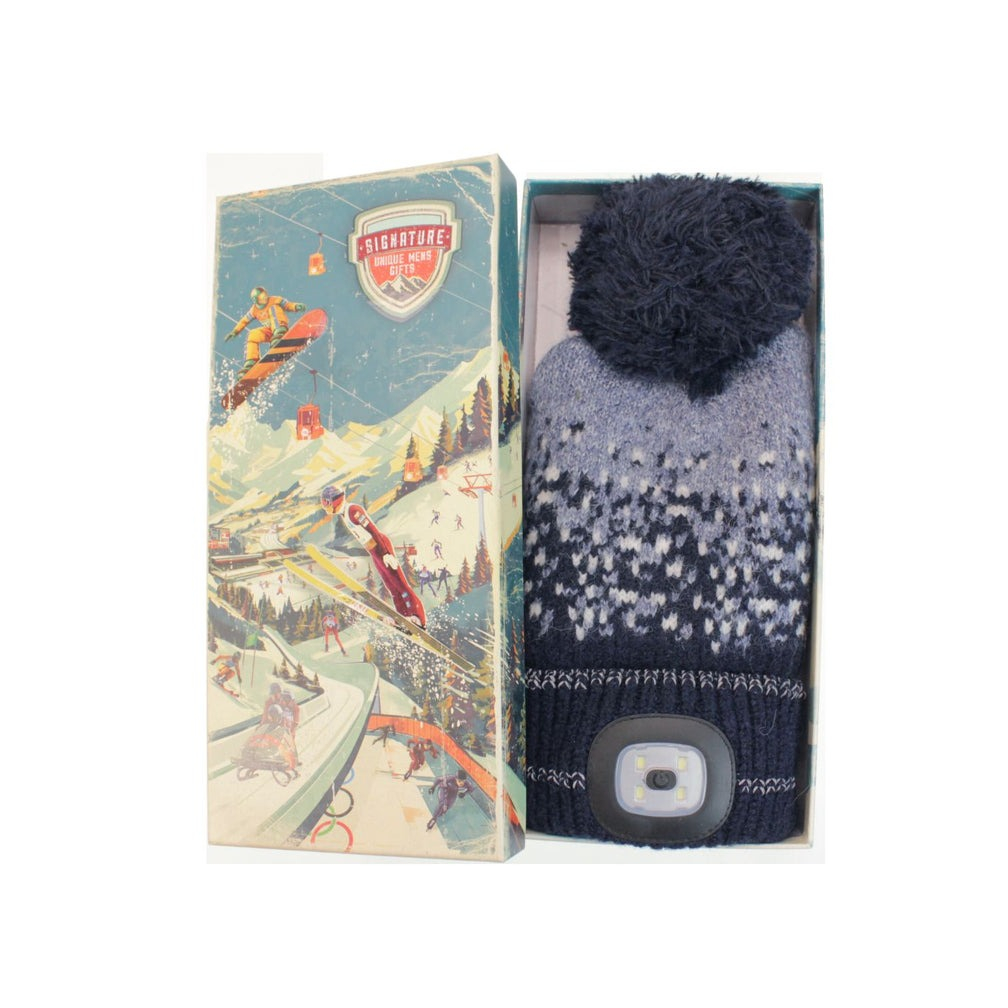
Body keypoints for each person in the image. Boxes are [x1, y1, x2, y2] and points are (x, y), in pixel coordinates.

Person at [225, 286, 306, 379]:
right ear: (256, 300)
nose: (265, 298)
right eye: (262, 297)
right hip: (270, 333)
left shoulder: (275, 300)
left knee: (273, 308)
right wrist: (235, 331)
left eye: (265, 295)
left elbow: (287, 305)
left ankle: (279, 332)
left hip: (280, 326)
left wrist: (296, 306)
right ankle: (251, 362)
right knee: (253, 334)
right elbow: (244, 321)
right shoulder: (254, 310)